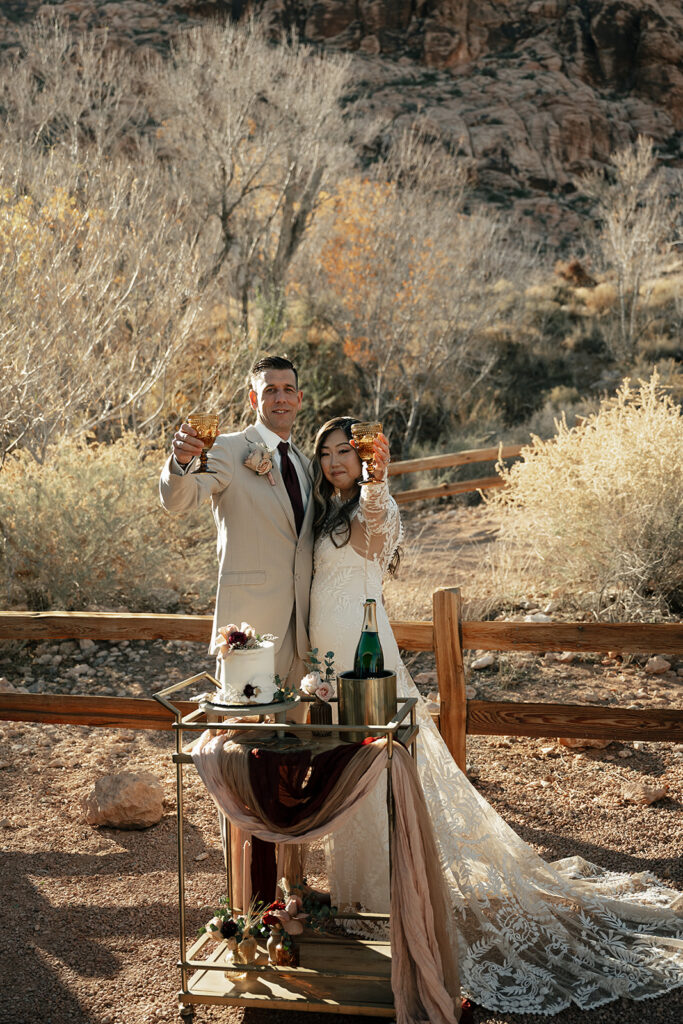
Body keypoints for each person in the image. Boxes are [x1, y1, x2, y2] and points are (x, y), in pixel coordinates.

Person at [308, 416, 683, 1016]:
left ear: (364, 457)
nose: (334, 462)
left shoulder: (372, 505)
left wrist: (379, 478)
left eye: (345, 452)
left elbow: (377, 537)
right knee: (351, 769)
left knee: (384, 771)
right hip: (325, 666)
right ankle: (355, 896)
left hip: (366, 659)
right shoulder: (323, 510)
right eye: (325, 452)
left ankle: (393, 896)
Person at [159, 355, 314, 691]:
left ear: (299, 399)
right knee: (242, 731)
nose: (281, 398)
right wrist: (181, 461)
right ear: (254, 398)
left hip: (302, 634)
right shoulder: (228, 449)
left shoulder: (305, 464)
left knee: (292, 738)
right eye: (270, 389)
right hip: (249, 628)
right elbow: (180, 500)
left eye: (288, 389)